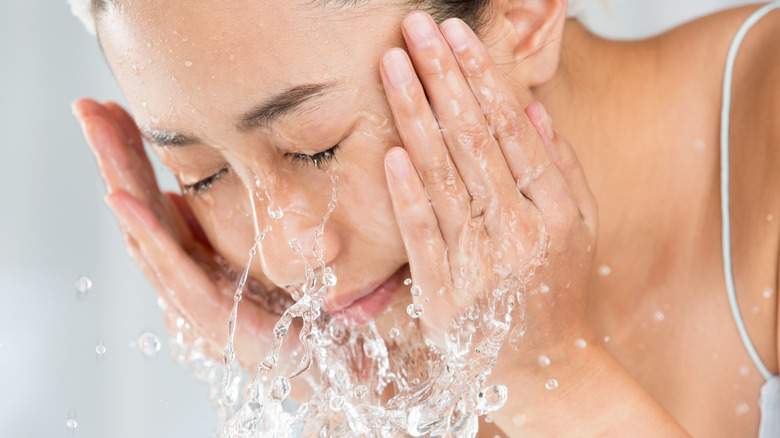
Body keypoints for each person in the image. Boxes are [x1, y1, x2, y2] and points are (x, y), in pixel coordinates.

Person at [70, 0, 780, 436]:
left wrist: (550, 376)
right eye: (205, 174)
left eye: (314, 147)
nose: (286, 258)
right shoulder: (382, 355)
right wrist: (350, 406)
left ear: (521, 12)